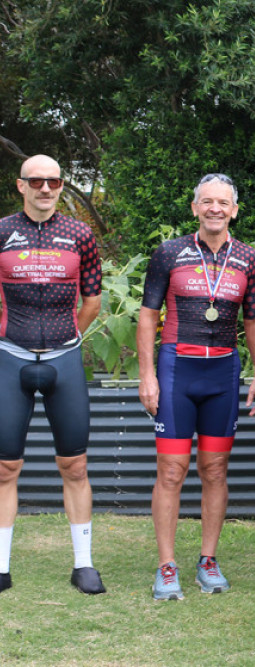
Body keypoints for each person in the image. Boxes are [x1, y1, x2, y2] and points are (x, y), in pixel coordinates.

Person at [137, 173, 255, 600]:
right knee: (171, 471)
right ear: (195, 208)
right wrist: (147, 375)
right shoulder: (169, 253)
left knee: (214, 469)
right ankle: (167, 565)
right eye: (207, 201)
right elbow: (146, 316)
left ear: (234, 210)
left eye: (223, 202)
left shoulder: (249, 258)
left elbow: (252, 323)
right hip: (177, 370)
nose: (215, 208)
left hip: (223, 374)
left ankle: (208, 560)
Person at [0, 155, 104, 595]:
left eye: (54, 181)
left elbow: (93, 300)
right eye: (37, 181)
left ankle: (84, 565)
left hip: (63, 359)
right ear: (21, 186)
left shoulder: (80, 234)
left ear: (62, 186)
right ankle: (1, 567)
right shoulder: (2, 232)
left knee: (75, 465)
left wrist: (66, 337)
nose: (46, 188)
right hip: (10, 357)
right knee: (5, 467)